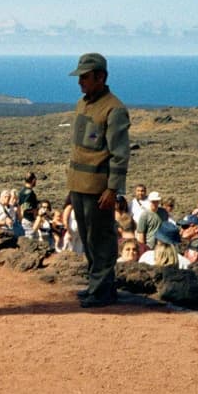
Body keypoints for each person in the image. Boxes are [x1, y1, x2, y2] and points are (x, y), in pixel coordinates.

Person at [66, 53, 130, 307]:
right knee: (87, 236)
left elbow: (119, 154)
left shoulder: (114, 110)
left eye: (85, 77)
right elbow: (79, 150)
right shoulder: (82, 105)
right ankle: (97, 285)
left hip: (98, 189)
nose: (80, 82)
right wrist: (71, 188)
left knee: (101, 239)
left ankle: (102, 290)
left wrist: (113, 189)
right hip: (79, 185)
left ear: (100, 77)